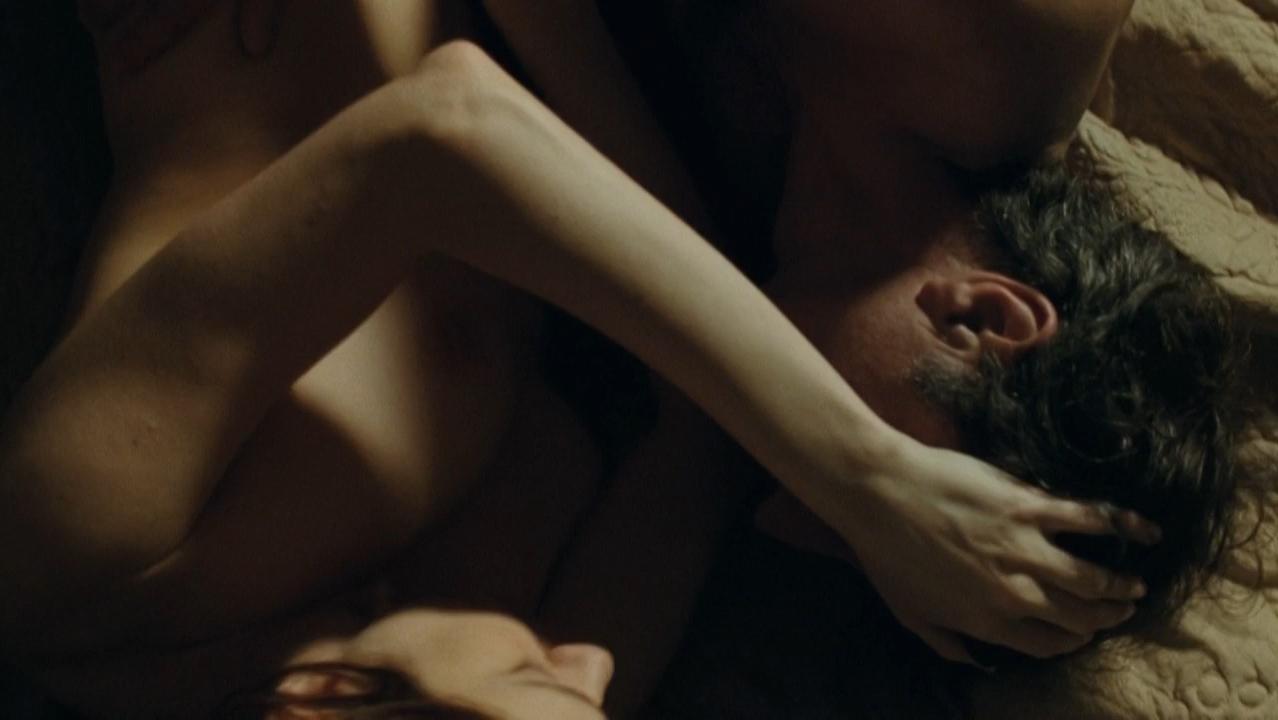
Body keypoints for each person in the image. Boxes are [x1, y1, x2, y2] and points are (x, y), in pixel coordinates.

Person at [0, 1, 1179, 717]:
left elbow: (445, 132)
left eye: (549, 685)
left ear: (314, 702)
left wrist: (867, 482)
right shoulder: (542, 658)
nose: (602, 671)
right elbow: (708, 438)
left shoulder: (77, 559)